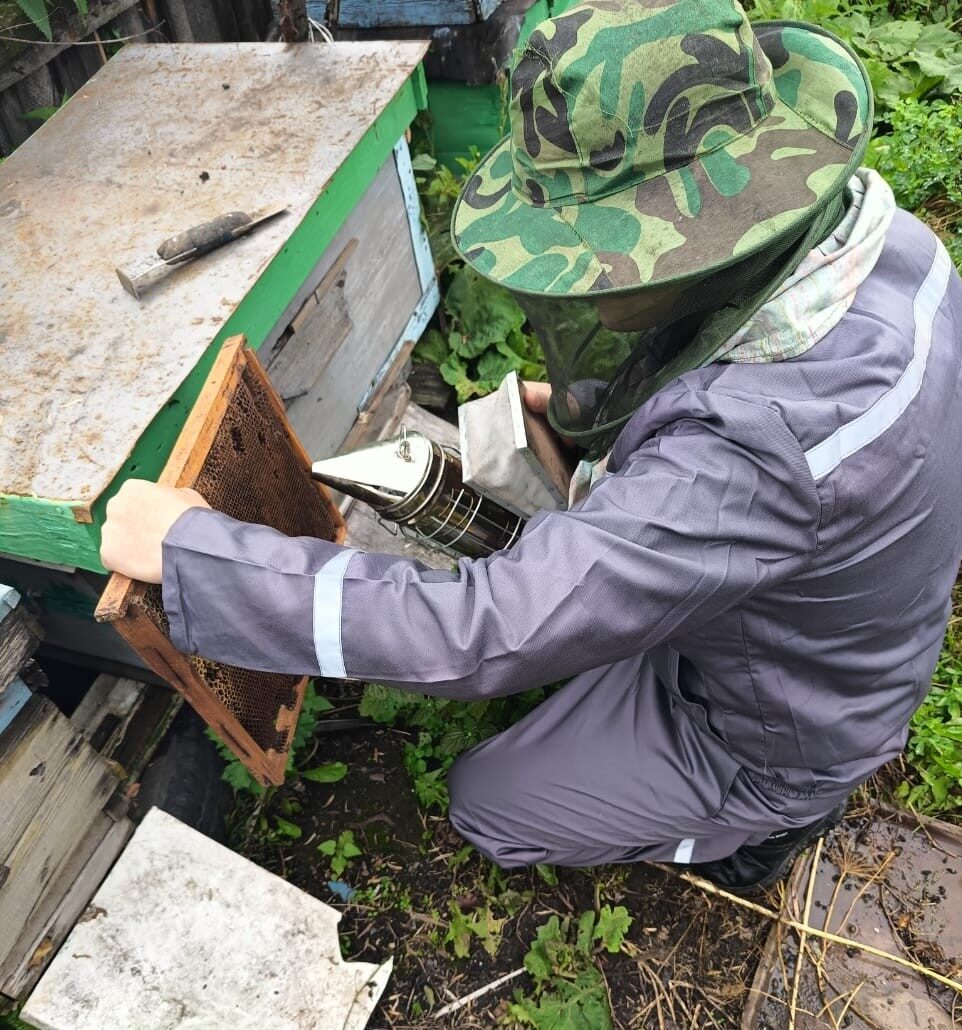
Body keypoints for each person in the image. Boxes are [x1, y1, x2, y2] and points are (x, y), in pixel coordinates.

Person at [101, 0, 962, 893]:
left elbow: (486, 630)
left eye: (586, 241)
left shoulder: (754, 459)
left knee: (487, 804)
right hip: (839, 636)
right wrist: (623, 428)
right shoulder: (895, 247)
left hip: (773, 731)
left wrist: (199, 554)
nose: (574, 275)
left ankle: (753, 832)